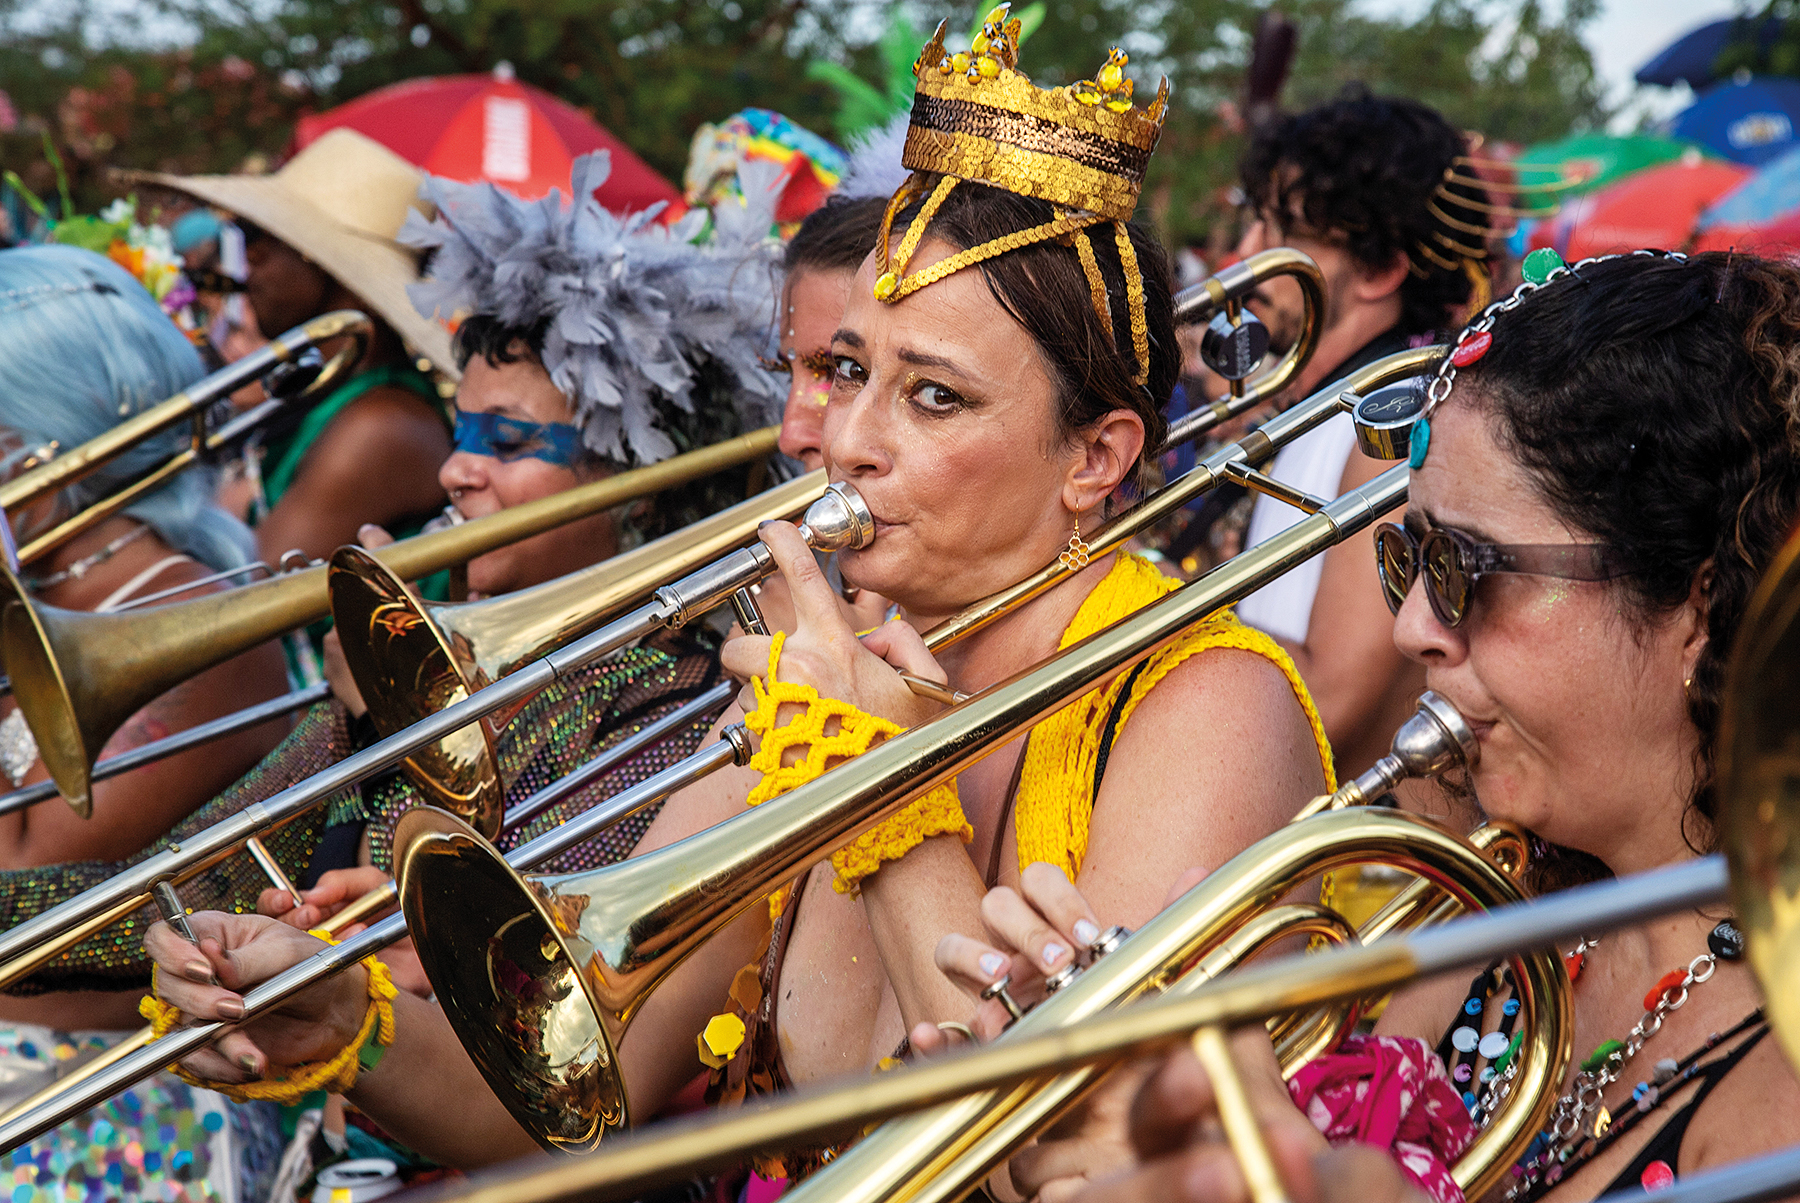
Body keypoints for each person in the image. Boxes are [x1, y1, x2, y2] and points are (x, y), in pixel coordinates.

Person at [141, 17, 1336, 1180]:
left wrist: (883, 788)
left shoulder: (1206, 703)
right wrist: (350, 1020)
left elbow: (1061, 1152)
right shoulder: (825, 661)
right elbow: (574, 1088)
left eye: (934, 399)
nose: (844, 439)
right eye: (848, 371)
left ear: (1096, 458)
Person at [962, 249, 1800, 1203]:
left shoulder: (1780, 1089)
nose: (1413, 628)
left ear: (1700, 607)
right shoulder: (1489, 903)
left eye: (1468, 566)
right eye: (1408, 559)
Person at [0, 243, 294, 1203]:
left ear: (35, 462)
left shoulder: (191, 619)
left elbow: (26, 881)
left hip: (104, 1106)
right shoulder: (46, 598)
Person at [1230, 89, 1496, 786]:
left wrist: (1142, 603)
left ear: (1378, 270)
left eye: (1281, 229)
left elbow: (1329, 701)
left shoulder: (1396, 424)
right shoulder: (1333, 408)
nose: (1245, 255)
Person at [133, 130, 457, 569]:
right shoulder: (338, 391)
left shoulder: (383, 422)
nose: (250, 261)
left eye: (264, 238)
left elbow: (251, 583)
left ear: (338, 273)